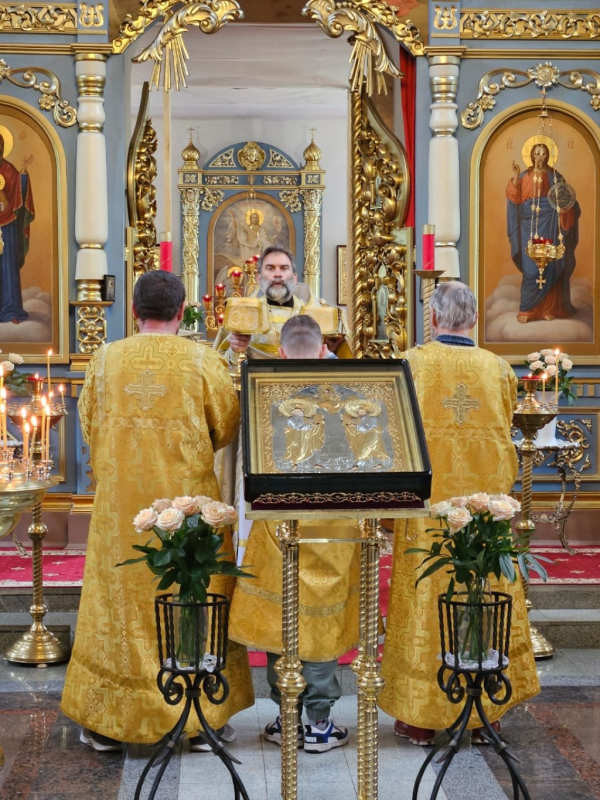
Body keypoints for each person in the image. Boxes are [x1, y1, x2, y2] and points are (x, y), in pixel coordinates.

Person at [61, 270, 254, 752]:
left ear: (134, 311)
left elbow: (89, 425)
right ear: (181, 310)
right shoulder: (201, 359)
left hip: (120, 512)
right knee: (191, 596)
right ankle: (202, 717)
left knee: (120, 608)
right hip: (188, 511)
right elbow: (227, 425)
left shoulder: (105, 359)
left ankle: (107, 722)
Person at [379, 281, 539, 745]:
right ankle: (488, 712)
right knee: (484, 595)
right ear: (474, 321)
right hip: (485, 509)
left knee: (429, 600)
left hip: (428, 510)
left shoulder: (413, 363)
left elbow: (392, 433)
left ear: (434, 319)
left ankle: (422, 718)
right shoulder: (497, 368)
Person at [228, 314, 360, 754]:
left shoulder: (264, 390)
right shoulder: (350, 390)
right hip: (334, 520)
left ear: (281, 352)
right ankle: (320, 724)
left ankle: (287, 719)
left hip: (278, 517)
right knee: (321, 619)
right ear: (323, 346)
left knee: (280, 617)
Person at [214, 245, 351, 361]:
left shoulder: (317, 315)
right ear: (259, 279)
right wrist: (235, 350)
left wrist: (330, 349)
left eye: (284, 268)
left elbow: (339, 368)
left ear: (294, 278)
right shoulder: (241, 315)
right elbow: (220, 366)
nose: (277, 274)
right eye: (270, 268)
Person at [507, 141, 580, 323]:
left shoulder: (556, 177)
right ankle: (527, 310)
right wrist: (516, 177)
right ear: (531, 155)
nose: (540, 157)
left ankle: (549, 308)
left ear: (548, 156)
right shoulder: (524, 176)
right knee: (531, 269)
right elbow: (514, 197)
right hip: (528, 228)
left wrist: (564, 210)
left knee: (550, 264)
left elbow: (568, 200)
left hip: (550, 226)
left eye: (543, 153)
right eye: (537, 153)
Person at [0, 135, 34, 324]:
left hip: (8, 226)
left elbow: (18, 194)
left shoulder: (9, 170)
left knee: (8, 267)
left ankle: (11, 310)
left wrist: (23, 173)